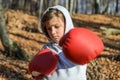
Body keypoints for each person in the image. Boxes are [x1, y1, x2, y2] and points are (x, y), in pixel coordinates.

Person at [30, 5, 87, 80]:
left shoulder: (78, 44)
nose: (53, 32)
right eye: (49, 28)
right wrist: (36, 73)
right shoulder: (46, 49)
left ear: (67, 25)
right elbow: (38, 74)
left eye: (57, 26)